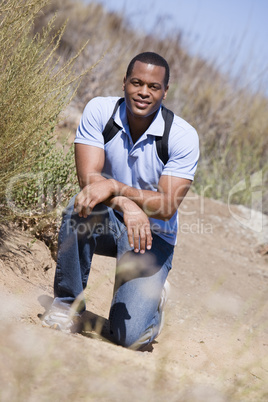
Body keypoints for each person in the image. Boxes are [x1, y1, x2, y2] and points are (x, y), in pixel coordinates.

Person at [42, 51, 199, 350]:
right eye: (136, 82)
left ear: (166, 91)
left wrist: (114, 185)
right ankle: (66, 306)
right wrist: (127, 206)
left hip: (154, 237)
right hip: (110, 220)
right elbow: (89, 181)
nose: (143, 92)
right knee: (80, 208)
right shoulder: (100, 111)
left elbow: (166, 207)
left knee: (129, 339)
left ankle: (154, 303)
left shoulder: (182, 136)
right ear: (124, 81)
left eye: (153, 87)